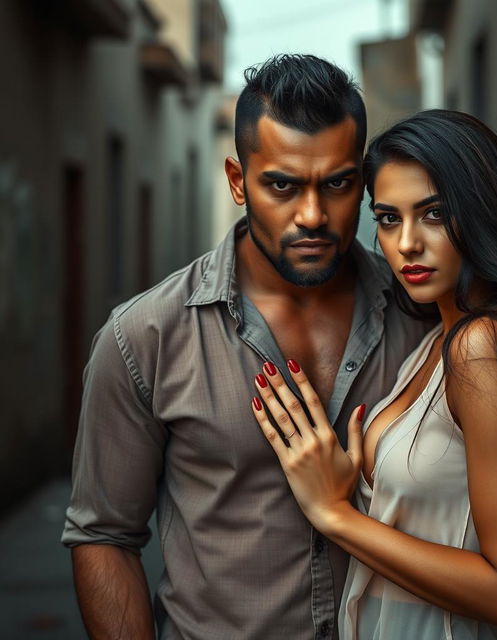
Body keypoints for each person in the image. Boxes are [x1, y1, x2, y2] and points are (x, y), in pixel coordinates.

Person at [61, 54, 433, 639]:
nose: (311, 215)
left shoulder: (426, 320)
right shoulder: (144, 338)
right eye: (281, 185)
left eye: (336, 183)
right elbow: (103, 535)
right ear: (238, 181)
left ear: (361, 182)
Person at [250, 110, 497, 639]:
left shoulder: (485, 348)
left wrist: (335, 515)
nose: (406, 244)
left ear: (483, 213)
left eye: (434, 214)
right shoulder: (435, 341)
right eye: (387, 218)